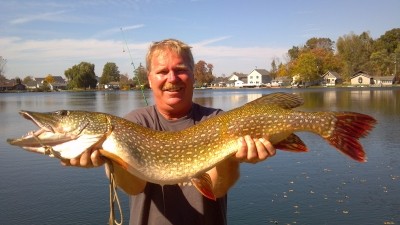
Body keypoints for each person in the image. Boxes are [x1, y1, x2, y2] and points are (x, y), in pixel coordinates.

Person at [62, 38, 276, 225]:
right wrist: (109, 158)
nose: (172, 78)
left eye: (181, 70)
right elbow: (134, 187)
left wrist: (230, 159)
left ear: (193, 75)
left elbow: (217, 189)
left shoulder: (216, 120)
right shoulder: (134, 123)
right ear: (150, 79)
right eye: (162, 71)